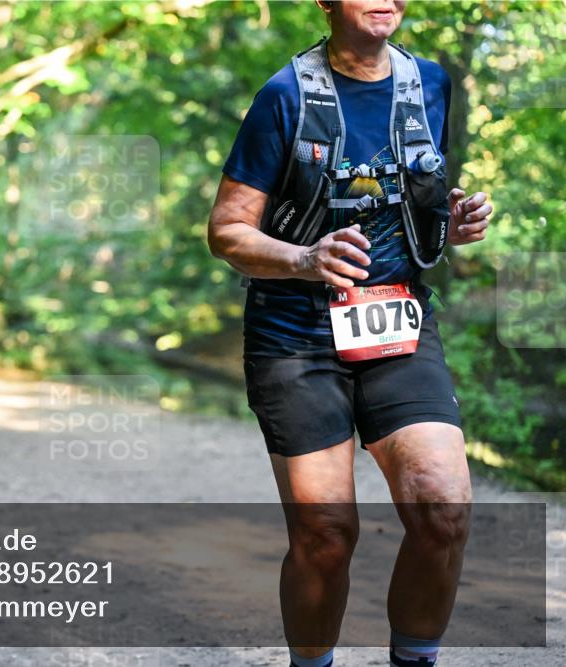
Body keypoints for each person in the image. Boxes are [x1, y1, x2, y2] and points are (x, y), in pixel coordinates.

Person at [207, 2, 492, 666]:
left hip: (396, 322)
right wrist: (305, 258)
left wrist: (455, 216)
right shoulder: (285, 96)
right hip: (296, 333)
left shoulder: (429, 85)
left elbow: (416, 197)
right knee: (326, 533)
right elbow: (227, 230)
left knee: (442, 509)